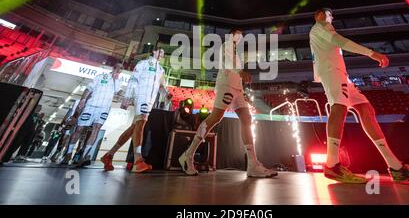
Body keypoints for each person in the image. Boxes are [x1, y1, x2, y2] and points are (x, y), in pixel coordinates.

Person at [309, 8, 409, 183]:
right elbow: (340, 41)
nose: (329, 15)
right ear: (318, 16)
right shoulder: (321, 26)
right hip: (331, 72)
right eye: (326, 13)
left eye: (330, 14)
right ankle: (332, 165)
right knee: (339, 107)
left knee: (366, 109)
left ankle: (396, 167)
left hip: (341, 74)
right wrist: (371, 53)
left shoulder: (323, 29)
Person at [178, 29, 277, 178]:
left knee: (246, 118)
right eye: (238, 33)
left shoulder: (236, 51)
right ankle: (188, 154)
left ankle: (252, 164)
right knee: (215, 117)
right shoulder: (226, 45)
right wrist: (240, 71)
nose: (240, 36)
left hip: (237, 89)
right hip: (227, 87)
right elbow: (227, 62)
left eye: (241, 35)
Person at [101, 49, 170, 173]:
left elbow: (161, 87)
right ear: (153, 52)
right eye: (159, 51)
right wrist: (127, 96)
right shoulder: (143, 63)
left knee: (134, 127)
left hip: (150, 100)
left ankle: (109, 155)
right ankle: (138, 161)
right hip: (141, 96)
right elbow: (133, 79)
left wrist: (166, 94)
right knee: (141, 125)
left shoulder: (161, 70)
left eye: (163, 53)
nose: (161, 54)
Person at [60, 63, 123, 166]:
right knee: (79, 129)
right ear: (113, 68)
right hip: (91, 106)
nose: (119, 70)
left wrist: (117, 84)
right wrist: (83, 100)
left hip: (104, 108)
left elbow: (117, 91)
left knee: (96, 129)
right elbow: (88, 88)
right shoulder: (101, 76)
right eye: (118, 68)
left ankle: (84, 156)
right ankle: (68, 154)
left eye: (121, 69)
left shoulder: (118, 81)